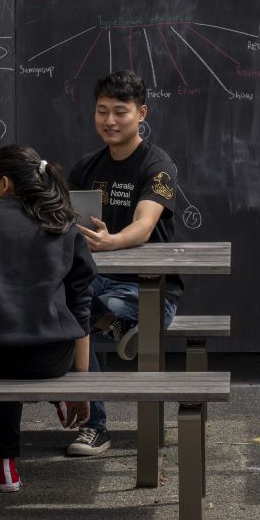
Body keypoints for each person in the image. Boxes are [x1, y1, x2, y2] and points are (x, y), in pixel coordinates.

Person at [0, 146, 98, 492]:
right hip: (52, 358)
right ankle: (58, 396)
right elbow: (81, 304)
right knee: (20, 334)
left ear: (4, 183)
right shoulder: (64, 222)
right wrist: (81, 384)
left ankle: (5, 465)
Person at [66, 70, 182, 457]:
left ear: (142, 113)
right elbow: (67, 221)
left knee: (94, 310)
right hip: (96, 282)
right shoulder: (86, 166)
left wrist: (110, 241)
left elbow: (145, 225)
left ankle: (122, 322)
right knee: (68, 309)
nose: (110, 121)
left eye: (120, 111)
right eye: (102, 112)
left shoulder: (158, 166)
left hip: (147, 287)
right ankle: (95, 425)